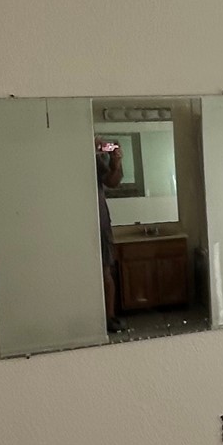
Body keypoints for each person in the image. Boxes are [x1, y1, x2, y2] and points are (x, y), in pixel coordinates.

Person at [97, 138, 124, 332]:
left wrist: (116, 164)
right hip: (73, 224)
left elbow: (112, 182)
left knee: (106, 271)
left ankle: (109, 317)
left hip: (100, 222)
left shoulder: (97, 160)